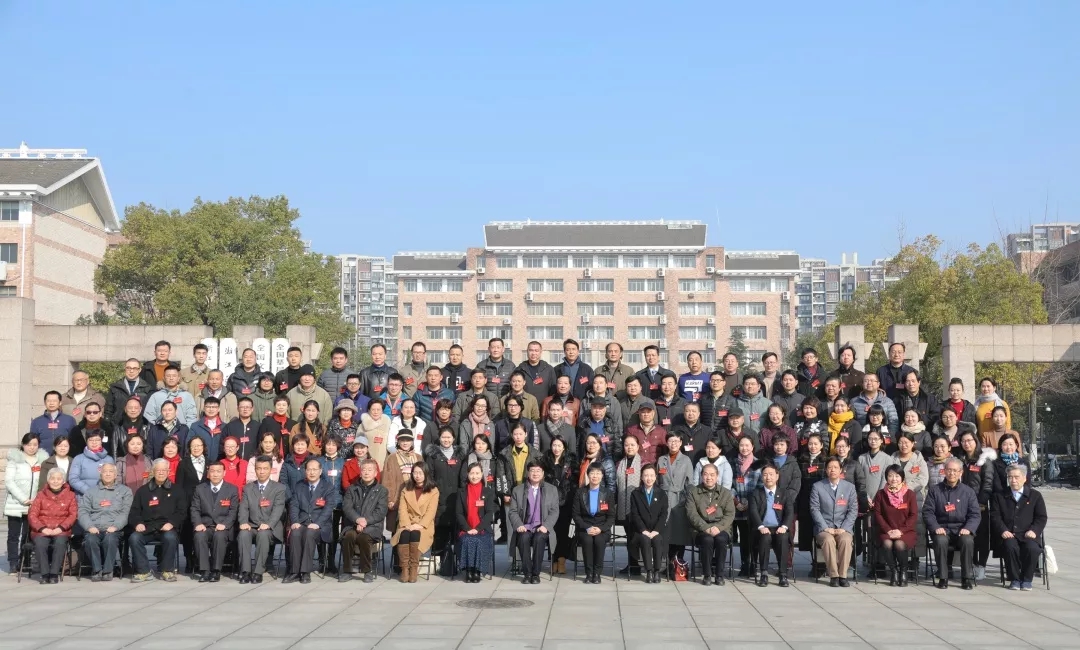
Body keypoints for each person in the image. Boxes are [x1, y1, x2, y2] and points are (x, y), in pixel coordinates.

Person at [924, 457, 981, 590]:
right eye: (949, 470)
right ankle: (943, 577)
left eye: (955, 470)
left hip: (962, 529)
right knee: (940, 541)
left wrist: (968, 528)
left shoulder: (968, 492)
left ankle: (966, 578)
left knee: (968, 541)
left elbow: (975, 514)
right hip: (942, 529)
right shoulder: (935, 490)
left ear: (961, 472)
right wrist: (936, 527)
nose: (952, 473)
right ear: (944, 471)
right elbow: (928, 512)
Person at [128, 458, 187, 582]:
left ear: (168, 472)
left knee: (170, 538)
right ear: (153, 472)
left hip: (167, 527)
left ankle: (167, 570)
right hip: (147, 527)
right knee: (134, 538)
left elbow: (182, 512)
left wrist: (172, 523)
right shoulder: (142, 491)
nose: (161, 472)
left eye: (164, 470)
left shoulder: (177, 490)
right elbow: (134, 511)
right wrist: (138, 523)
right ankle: (144, 571)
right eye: (158, 470)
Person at [991, 465, 1048, 591]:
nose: (1013, 480)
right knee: (1010, 547)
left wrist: (1034, 530)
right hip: (1009, 534)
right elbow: (995, 517)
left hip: (1028, 534)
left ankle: (1027, 579)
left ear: (1024, 478)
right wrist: (1003, 530)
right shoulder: (999, 496)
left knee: (1032, 548)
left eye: (1016, 477)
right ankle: (1014, 579)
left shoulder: (1035, 495)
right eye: (1010, 477)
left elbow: (1041, 517)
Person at [283, 458, 338, 584]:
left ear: (320, 471)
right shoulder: (299, 486)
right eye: (309, 470)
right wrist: (295, 521)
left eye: (314, 469)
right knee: (295, 533)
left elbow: (328, 508)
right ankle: (294, 571)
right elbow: (294, 505)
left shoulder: (328, 487)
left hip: (320, 525)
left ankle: (305, 572)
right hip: (302, 522)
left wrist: (317, 523)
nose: (312, 472)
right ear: (305, 471)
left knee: (309, 533)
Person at [810, 457, 860, 587]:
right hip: (824, 528)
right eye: (830, 467)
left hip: (843, 527)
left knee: (846, 540)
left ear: (841, 470)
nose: (833, 470)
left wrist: (844, 528)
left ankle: (843, 575)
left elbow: (853, 510)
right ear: (826, 470)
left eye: (836, 467)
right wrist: (825, 527)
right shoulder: (817, 487)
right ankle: (834, 575)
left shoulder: (849, 487)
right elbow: (814, 509)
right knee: (828, 540)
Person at [237, 456, 287, 584]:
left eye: (265, 468)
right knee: (243, 534)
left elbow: (278, 509)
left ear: (271, 470)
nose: (262, 471)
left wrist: (269, 524)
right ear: (255, 470)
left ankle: (258, 572)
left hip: (271, 528)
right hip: (252, 526)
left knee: (263, 534)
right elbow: (243, 507)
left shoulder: (279, 488)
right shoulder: (248, 488)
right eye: (259, 468)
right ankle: (245, 571)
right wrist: (243, 522)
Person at [78, 462, 132, 581]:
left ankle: (108, 570)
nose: (107, 474)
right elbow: (83, 512)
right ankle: (96, 570)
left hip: (114, 528)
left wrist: (116, 526)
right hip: (94, 527)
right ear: (100, 474)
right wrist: (89, 526)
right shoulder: (90, 492)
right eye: (105, 471)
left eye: (110, 471)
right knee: (90, 540)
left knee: (110, 539)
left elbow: (125, 512)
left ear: (115, 475)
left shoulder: (125, 491)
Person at [508, 461, 559, 584]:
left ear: (543, 473)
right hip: (524, 526)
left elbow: (554, 511)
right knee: (523, 538)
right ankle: (527, 573)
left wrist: (546, 526)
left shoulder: (552, 489)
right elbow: (512, 511)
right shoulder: (517, 490)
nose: (535, 473)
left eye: (538, 471)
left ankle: (536, 574)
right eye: (532, 471)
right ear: (528, 473)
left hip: (542, 527)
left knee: (539, 538)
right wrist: (519, 525)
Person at [339, 458, 388, 583]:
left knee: (364, 538)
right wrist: (357, 519)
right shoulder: (352, 489)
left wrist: (365, 521)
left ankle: (367, 571)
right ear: (360, 473)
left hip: (372, 526)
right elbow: (347, 507)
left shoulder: (382, 491)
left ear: (375, 473)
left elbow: (381, 511)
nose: (366, 473)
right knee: (348, 536)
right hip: (352, 525)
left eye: (370, 470)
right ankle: (347, 570)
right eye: (364, 470)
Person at [686, 463, 735, 585]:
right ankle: (707, 575)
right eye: (706, 474)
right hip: (700, 529)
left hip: (721, 528)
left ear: (717, 476)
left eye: (712, 475)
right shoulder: (693, 492)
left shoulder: (725, 493)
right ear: (701, 476)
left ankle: (719, 575)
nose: (709, 478)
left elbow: (730, 514)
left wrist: (718, 527)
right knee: (707, 540)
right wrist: (706, 528)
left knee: (721, 540)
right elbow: (692, 514)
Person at [189, 461, 239, 582]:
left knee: (219, 536)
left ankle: (216, 570)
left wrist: (225, 524)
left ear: (224, 473)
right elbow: (194, 509)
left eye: (218, 471)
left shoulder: (232, 489)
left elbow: (233, 511)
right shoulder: (200, 489)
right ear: (208, 473)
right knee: (199, 536)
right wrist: (198, 523)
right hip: (205, 525)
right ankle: (204, 571)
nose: (215, 474)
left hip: (223, 527)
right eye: (212, 471)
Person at [391, 462, 440, 583]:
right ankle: (405, 569)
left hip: (424, 525)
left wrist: (419, 525)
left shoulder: (433, 490)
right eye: (415, 473)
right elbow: (402, 509)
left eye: (420, 473)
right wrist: (407, 524)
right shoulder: (406, 489)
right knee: (404, 534)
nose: (417, 476)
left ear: (426, 474)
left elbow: (431, 512)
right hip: (407, 523)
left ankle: (413, 568)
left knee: (415, 534)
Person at [5, 433, 47, 572]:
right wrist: (24, 499)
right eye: (29, 444)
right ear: (23, 445)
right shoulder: (14, 461)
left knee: (28, 535)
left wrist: (37, 499)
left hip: (34, 504)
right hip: (16, 503)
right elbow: (9, 482)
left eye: (35, 444)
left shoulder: (41, 461)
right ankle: (13, 562)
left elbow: (43, 482)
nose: (32, 447)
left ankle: (25, 560)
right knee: (14, 535)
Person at [28, 468, 78, 583]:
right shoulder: (40, 495)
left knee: (60, 543)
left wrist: (60, 528)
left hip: (61, 530)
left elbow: (73, 515)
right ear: (48, 480)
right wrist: (42, 528)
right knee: (40, 544)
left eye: (59, 479)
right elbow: (32, 515)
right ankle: (45, 574)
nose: (55, 481)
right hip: (42, 529)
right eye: (52, 478)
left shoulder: (70, 495)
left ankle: (54, 573)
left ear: (63, 481)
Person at [749, 463, 794, 587]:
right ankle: (764, 573)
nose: (768, 477)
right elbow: (753, 512)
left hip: (779, 528)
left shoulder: (784, 493)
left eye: (771, 474)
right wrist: (761, 527)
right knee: (765, 538)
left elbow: (789, 512)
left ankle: (783, 574)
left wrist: (784, 527)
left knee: (783, 538)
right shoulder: (756, 493)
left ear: (777, 476)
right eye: (765, 475)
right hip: (762, 529)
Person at [872, 464, 918, 586]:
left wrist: (900, 531)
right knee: (887, 544)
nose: (894, 479)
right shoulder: (881, 494)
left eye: (897, 476)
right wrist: (888, 530)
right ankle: (894, 571)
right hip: (886, 530)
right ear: (886, 478)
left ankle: (903, 570)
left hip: (906, 531)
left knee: (899, 544)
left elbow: (913, 515)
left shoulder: (910, 494)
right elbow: (878, 514)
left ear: (902, 477)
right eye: (890, 476)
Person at [958, 430, 996, 579]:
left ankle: (981, 566)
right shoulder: (961, 459)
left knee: (982, 537)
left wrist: (981, 502)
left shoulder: (984, 460)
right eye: (963, 441)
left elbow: (988, 484)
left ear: (976, 441)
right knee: (969, 536)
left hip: (980, 505)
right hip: (963, 504)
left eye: (969, 440)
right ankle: (972, 564)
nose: (966, 444)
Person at [573, 462, 616, 583]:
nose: (595, 476)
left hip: (602, 528)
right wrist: (587, 528)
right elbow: (576, 515)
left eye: (598, 473)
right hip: (584, 527)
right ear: (588, 475)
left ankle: (597, 573)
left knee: (599, 540)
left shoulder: (608, 493)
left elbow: (611, 516)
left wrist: (601, 528)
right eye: (592, 473)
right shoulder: (580, 492)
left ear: (602, 476)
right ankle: (589, 573)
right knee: (587, 541)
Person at [457, 462, 499, 582]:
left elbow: (489, 513)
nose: (474, 476)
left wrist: (478, 528)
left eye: (477, 473)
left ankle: (477, 570)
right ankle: (469, 570)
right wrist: (468, 529)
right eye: (472, 473)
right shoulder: (461, 492)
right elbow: (459, 513)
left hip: (482, 529)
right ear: (467, 474)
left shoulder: (488, 492)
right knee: (467, 540)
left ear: (481, 475)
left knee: (480, 541)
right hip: (466, 529)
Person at [658, 431, 694, 566]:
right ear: (667, 443)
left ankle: (678, 562)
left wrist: (687, 500)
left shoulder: (686, 460)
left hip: (680, 499)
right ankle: (665, 562)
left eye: (676, 441)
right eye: (671, 441)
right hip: (664, 498)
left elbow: (690, 483)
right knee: (665, 530)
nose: (673, 444)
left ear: (681, 443)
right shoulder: (661, 460)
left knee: (679, 531)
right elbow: (657, 481)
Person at [542, 435, 576, 575]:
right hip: (549, 502)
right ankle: (553, 560)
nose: (556, 448)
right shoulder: (545, 461)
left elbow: (574, 481)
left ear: (564, 447)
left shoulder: (571, 461)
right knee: (551, 531)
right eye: (554, 445)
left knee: (563, 532)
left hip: (565, 501)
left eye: (559, 446)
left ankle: (562, 560)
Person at [730, 436, 763, 577]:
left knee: (753, 537)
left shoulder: (758, 464)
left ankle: (754, 564)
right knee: (743, 537)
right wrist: (736, 502)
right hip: (737, 506)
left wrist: (751, 502)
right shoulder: (733, 463)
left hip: (753, 506)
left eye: (747, 445)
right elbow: (730, 485)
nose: (744, 448)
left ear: (752, 447)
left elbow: (761, 485)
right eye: (742, 445)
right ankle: (744, 564)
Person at [629, 464, 667, 583]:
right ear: (641, 477)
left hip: (657, 530)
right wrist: (643, 530)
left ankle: (657, 571)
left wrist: (656, 530)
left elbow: (663, 515)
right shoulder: (635, 493)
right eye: (646, 475)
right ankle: (649, 571)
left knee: (657, 540)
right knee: (645, 540)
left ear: (655, 477)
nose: (648, 478)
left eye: (651, 475)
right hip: (640, 530)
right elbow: (635, 514)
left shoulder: (662, 494)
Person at [615, 435, 643, 576]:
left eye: (632, 445)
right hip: (623, 506)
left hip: (638, 507)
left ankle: (638, 563)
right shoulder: (620, 463)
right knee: (629, 536)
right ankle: (632, 563)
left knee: (636, 536)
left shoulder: (643, 463)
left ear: (638, 447)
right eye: (627, 445)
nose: (629, 447)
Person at [797, 434, 828, 556]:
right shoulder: (802, 460)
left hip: (821, 500)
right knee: (807, 530)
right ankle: (812, 558)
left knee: (820, 529)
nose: (813, 446)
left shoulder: (826, 460)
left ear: (821, 445)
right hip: (805, 498)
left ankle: (820, 560)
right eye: (810, 444)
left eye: (816, 444)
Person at [105, 359, 155, 426]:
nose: (131, 371)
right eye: (128, 368)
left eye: (135, 368)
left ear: (139, 370)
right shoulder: (115, 387)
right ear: (125, 369)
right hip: (118, 427)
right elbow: (108, 411)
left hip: (140, 427)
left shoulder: (147, 388)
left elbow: (150, 412)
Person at [30, 391, 78, 455]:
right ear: (45, 403)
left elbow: (74, 441)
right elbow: (32, 442)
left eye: (54, 401)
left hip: (64, 457)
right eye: (49, 401)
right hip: (43, 457)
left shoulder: (69, 420)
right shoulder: (36, 421)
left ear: (60, 403)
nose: (51, 403)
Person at [68, 430, 114, 497]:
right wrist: (89, 492)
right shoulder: (78, 459)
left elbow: (113, 479)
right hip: (84, 497)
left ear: (101, 441)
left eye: (97, 440)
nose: (94, 442)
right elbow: (73, 479)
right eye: (91, 440)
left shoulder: (109, 459)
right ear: (86, 441)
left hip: (105, 497)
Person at [575, 397, 621, 461]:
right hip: (587, 459)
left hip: (606, 460)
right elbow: (577, 445)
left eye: (600, 408)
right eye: (595, 407)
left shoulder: (612, 424)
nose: (597, 410)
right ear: (591, 408)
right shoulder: (583, 423)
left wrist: (615, 462)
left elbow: (617, 446)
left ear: (605, 409)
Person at [517, 341, 557, 405]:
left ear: (540, 352)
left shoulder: (549, 369)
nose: (533, 353)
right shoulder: (519, 369)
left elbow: (553, 391)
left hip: (543, 406)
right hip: (524, 406)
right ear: (527, 351)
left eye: (536, 350)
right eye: (531, 350)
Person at [189, 396, 226, 463]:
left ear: (219, 409)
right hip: (199, 462)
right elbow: (189, 445)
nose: (211, 409)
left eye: (214, 407)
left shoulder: (225, 427)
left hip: (219, 463)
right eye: (208, 407)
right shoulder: (195, 426)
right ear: (204, 408)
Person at [975, 378, 1011, 442]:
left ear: (994, 388)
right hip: (981, 440)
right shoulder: (977, 405)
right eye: (983, 386)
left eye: (988, 386)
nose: (986, 389)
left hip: (999, 440)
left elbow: (1008, 424)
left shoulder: (1002, 404)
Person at [361, 398, 392, 469]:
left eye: (378, 410)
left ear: (382, 411)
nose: (376, 412)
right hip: (367, 461)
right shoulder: (363, 425)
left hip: (384, 459)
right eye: (373, 409)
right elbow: (358, 445)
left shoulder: (388, 423)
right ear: (369, 410)